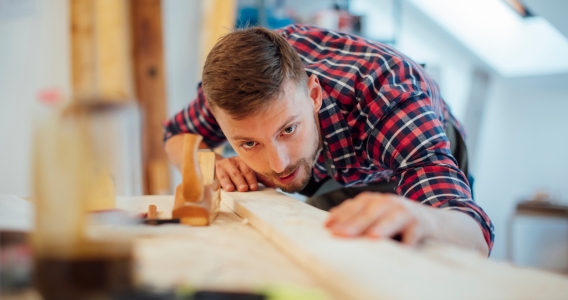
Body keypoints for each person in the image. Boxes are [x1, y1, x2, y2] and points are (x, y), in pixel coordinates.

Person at [163, 25, 494, 255]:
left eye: (288, 129)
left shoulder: (389, 98)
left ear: (314, 94)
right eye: (249, 144)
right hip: (329, 164)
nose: (277, 164)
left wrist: (425, 218)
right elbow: (175, 136)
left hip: (407, 148)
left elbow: (473, 235)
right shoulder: (226, 95)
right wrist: (216, 166)